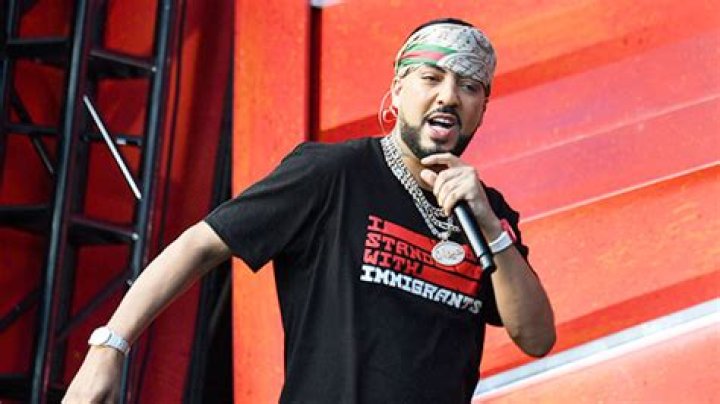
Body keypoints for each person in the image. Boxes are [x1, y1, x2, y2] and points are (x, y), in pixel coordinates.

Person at [64, 17, 555, 403]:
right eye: (431, 77)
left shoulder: (487, 214)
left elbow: (535, 337)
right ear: (398, 89)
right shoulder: (334, 173)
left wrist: (491, 230)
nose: (448, 95)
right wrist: (109, 348)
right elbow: (200, 244)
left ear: (482, 109)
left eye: (469, 86)